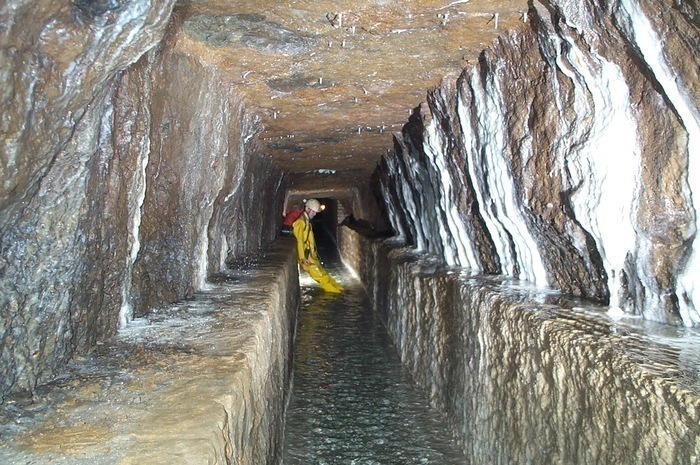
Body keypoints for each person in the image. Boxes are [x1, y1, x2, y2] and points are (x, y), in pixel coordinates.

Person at [292, 198, 344, 293]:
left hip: (310, 255)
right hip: (305, 256)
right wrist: (303, 258)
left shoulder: (306, 221)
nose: (315, 214)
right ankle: (335, 293)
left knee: (323, 273)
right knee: (320, 276)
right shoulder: (300, 222)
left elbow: (310, 240)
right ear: (307, 209)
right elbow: (299, 241)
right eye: (313, 212)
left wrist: (313, 254)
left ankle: (339, 289)